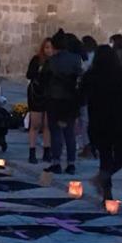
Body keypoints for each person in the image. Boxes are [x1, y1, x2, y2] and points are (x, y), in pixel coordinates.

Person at [80, 45, 122, 200]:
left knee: (105, 157)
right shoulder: (120, 74)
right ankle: (106, 189)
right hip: (118, 121)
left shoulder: (91, 75)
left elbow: (80, 97)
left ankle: (105, 187)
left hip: (98, 122)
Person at [42, 31, 83, 175]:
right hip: (70, 100)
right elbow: (80, 78)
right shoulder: (76, 59)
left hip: (54, 100)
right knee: (69, 132)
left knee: (55, 132)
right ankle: (71, 163)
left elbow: (44, 79)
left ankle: (56, 162)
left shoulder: (52, 61)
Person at [26, 38, 53, 164]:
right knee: (35, 124)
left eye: (51, 47)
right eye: (46, 47)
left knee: (48, 125)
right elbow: (29, 74)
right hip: (36, 94)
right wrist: (39, 71)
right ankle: (32, 152)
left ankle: (47, 151)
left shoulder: (54, 61)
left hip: (49, 95)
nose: (48, 50)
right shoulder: (36, 60)